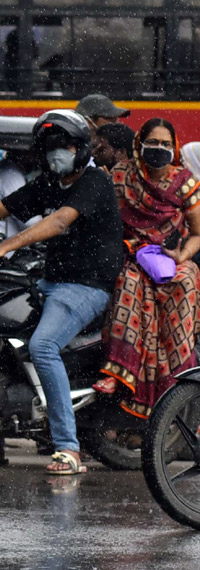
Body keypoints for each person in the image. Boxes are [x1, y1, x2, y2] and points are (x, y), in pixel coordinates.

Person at [0, 110, 123, 475]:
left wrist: (3, 247)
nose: (56, 153)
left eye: (64, 146)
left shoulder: (94, 183)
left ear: (80, 148)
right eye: (50, 147)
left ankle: (68, 449)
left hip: (85, 287)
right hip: (47, 282)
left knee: (43, 345)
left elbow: (58, 222)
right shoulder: (48, 182)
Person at [93, 118, 200, 418]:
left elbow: (198, 233)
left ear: (175, 147)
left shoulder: (185, 181)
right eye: (153, 142)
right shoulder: (121, 177)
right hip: (133, 255)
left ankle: (181, 390)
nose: (159, 149)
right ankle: (118, 373)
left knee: (185, 283)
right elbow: (107, 222)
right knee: (129, 284)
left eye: (166, 144)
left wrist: (182, 256)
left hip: (174, 260)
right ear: (140, 144)